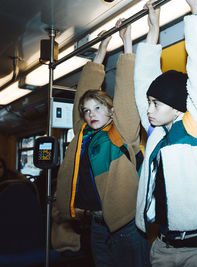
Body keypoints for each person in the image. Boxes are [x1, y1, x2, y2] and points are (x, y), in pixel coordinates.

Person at [134, 0, 197, 266]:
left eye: (156, 104)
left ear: (176, 108)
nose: (148, 109)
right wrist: (153, 33)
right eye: (149, 103)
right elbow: (144, 84)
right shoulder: (157, 134)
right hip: (162, 246)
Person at [53, 18, 150, 267]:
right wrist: (101, 49)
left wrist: (126, 44)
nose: (91, 114)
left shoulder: (122, 133)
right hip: (96, 225)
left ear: (111, 112)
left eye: (98, 108)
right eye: (87, 110)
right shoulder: (83, 135)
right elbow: (83, 94)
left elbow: (127, 94)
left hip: (126, 226)